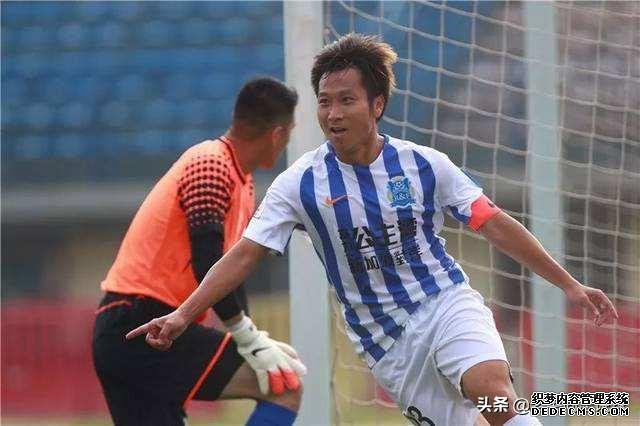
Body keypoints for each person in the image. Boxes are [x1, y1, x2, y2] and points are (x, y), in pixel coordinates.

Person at [127, 34, 619, 426]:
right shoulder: (299, 184)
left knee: (493, 394)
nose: (333, 113)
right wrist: (183, 315)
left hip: (445, 302)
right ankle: (590, 406)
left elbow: (493, 223)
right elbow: (243, 254)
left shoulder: (425, 165)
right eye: (324, 102)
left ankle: (571, 406)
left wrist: (569, 285)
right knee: (482, 417)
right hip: (387, 345)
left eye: (347, 100)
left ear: (377, 105)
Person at [93, 77, 307, 426]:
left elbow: (229, 274)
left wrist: (249, 335)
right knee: (285, 387)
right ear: (277, 134)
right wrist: (246, 337)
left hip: (131, 328)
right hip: (143, 323)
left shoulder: (239, 179)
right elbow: (207, 260)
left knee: (281, 380)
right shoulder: (211, 164)